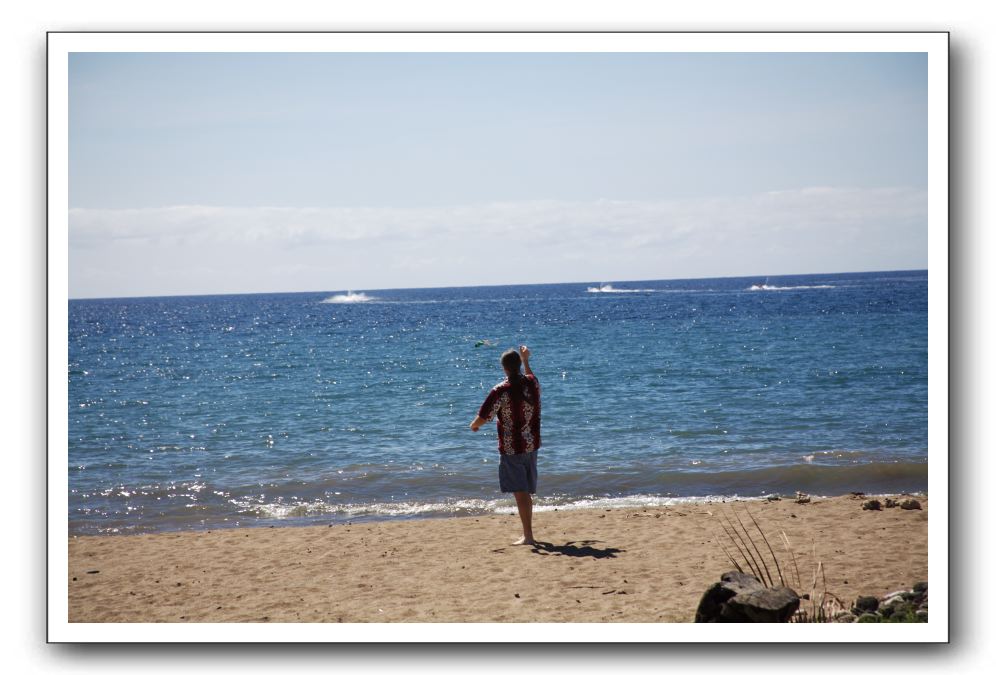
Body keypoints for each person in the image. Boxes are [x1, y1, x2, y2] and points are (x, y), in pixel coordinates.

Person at [469, 345, 541, 545]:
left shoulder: (501, 390)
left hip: (512, 448)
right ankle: (529, 534)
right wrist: (526, 359)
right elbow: (531, 376)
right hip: (531, 445)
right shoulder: (531, 383)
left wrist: (474, 426)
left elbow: (484, 416)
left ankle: (528, 536)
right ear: (518, 365)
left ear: (504, 368)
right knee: (525, 491)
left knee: (520, 492)